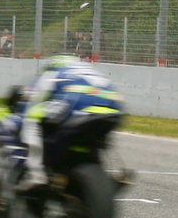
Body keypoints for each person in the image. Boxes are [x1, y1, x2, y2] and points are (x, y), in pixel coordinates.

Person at [16, 54, 124, 190]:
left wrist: (22, 116)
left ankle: (36, 173)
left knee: (32, 117)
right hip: (113, 107)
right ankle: (104, 173)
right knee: (97, 139)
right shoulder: (90, 70)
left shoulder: (53, 72)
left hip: (78, 104)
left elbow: (34, 98)